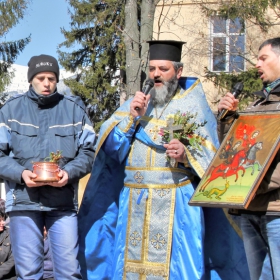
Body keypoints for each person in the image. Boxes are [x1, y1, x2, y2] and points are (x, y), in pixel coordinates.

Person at [78, 40, 249, 279]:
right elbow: (112, 151)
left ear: (178, 71)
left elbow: (212, 161)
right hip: (134, 200)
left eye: (163, 69)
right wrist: (131, 119)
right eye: (152, 69)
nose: (156, 74)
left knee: (175, 268)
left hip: (176, 201)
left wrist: (186, 156)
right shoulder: (135, 104)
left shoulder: (193, 105)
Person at [0, 54, 95, 279]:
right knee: (29, 273)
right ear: (31, 79)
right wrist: (21, 173)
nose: (46, 83)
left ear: (57, 80)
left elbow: (89, 152)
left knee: (70, 271)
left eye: (51, 78)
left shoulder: (74, 110)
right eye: (40, 77)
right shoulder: (10, 111)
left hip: (62, 204)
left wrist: (69, 173)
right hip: (23, 202)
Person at [217, 37, 280, 280]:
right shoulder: (257, 103)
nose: (256, 64)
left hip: (275, 210)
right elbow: (233, 153)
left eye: (263, 58)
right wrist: (228, 119)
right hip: (250, 208)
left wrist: (253, 185)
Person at [0, 211, 16, 280]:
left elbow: (13, 260)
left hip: (9, 277)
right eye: (0, 221)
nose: (3, 223)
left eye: (3, 220)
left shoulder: (10, 234)